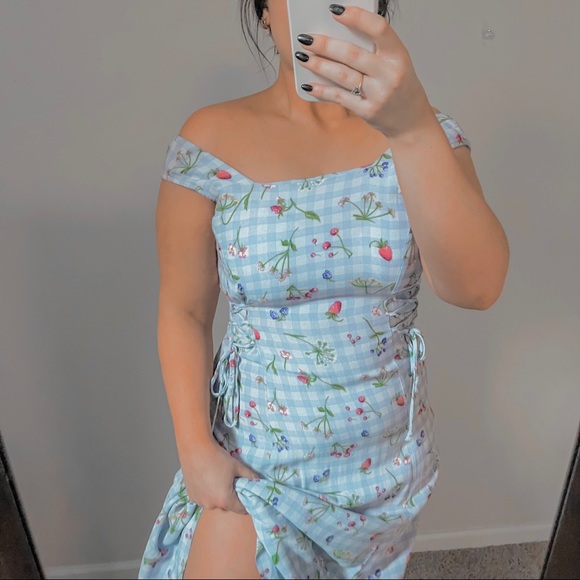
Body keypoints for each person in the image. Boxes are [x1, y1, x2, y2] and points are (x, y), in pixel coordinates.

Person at [138, 1, 510, 578]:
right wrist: (195, 453)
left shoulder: (424, 133)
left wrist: (412, 128)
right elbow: (183, 309)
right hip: (255, 468)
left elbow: (477, 287)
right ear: (265, 10)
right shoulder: (208, 140)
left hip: (383, 479)